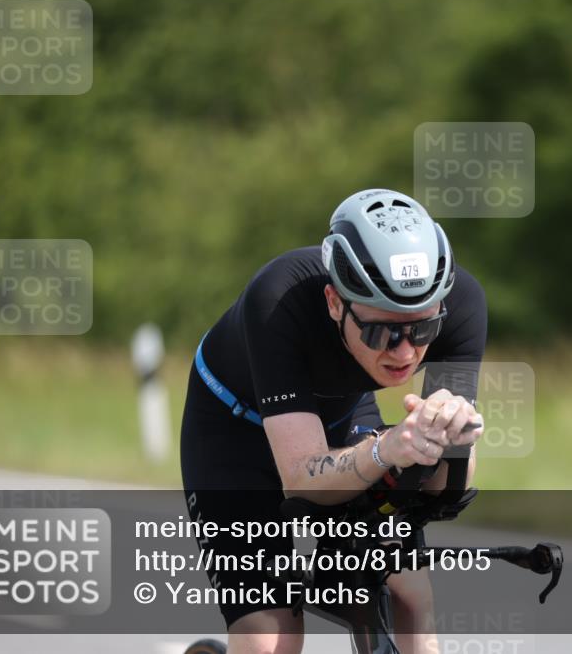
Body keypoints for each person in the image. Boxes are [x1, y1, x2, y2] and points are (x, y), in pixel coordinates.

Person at [180, 188, 487, 654]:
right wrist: (386, 449)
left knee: (410, 597)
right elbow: (303, 479)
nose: (404, 352)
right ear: (333, 302)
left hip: (341, 411)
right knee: (271, 638)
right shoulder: (278, 298)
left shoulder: (461, 305)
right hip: (233, 429)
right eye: (383, 331)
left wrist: (453, 445)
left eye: (421, 328)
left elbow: (440, 492)